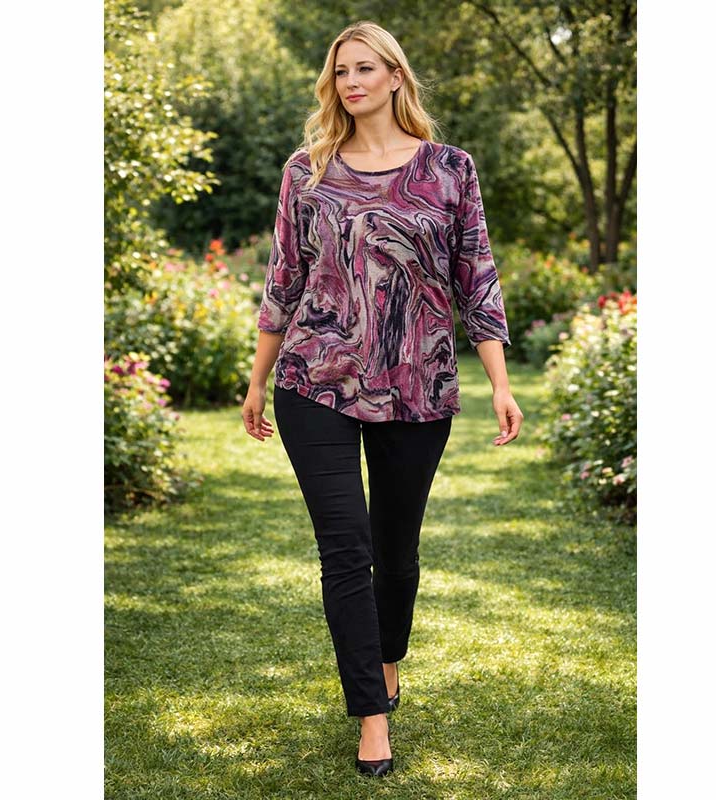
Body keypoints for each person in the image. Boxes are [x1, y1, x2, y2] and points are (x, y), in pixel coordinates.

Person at [242, 20, 524, 777]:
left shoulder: (449, 169)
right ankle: (372, 717)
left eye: (366, 69)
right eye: (341, 72)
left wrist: (500, 383)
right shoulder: (308, 171)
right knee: (346, 550)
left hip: (418, 383)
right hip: (315, 380)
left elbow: (477, 277)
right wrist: (259, 378)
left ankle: (387, 658)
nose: (352, 83)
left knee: (396, 554)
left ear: (396, 76)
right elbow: (284, 278)